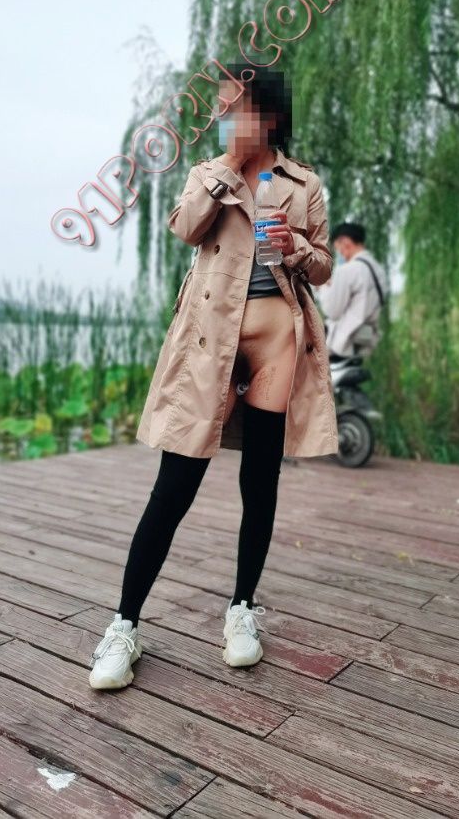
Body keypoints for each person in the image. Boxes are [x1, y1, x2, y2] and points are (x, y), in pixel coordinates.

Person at [88, 64, 338, 690]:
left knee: (261, 480)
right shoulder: (208, 171)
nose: (224, 116)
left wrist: (295, 248)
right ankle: (124, 625)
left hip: (277, 339)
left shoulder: (302, 182)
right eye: (222, 108)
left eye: (235, 107)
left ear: (268, 116)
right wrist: (229, 165)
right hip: (210, 342)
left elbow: (323, 265)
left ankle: (242, 609)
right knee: (174, 484)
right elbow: (184, 228)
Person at [316, 222, 388, 362]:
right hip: (366, 339)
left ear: (345, 242)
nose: (340, 253)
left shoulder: (348, 270)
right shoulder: (379, 271)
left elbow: (332, 311)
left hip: (343, 342)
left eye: (338, 248)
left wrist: (323, 286)